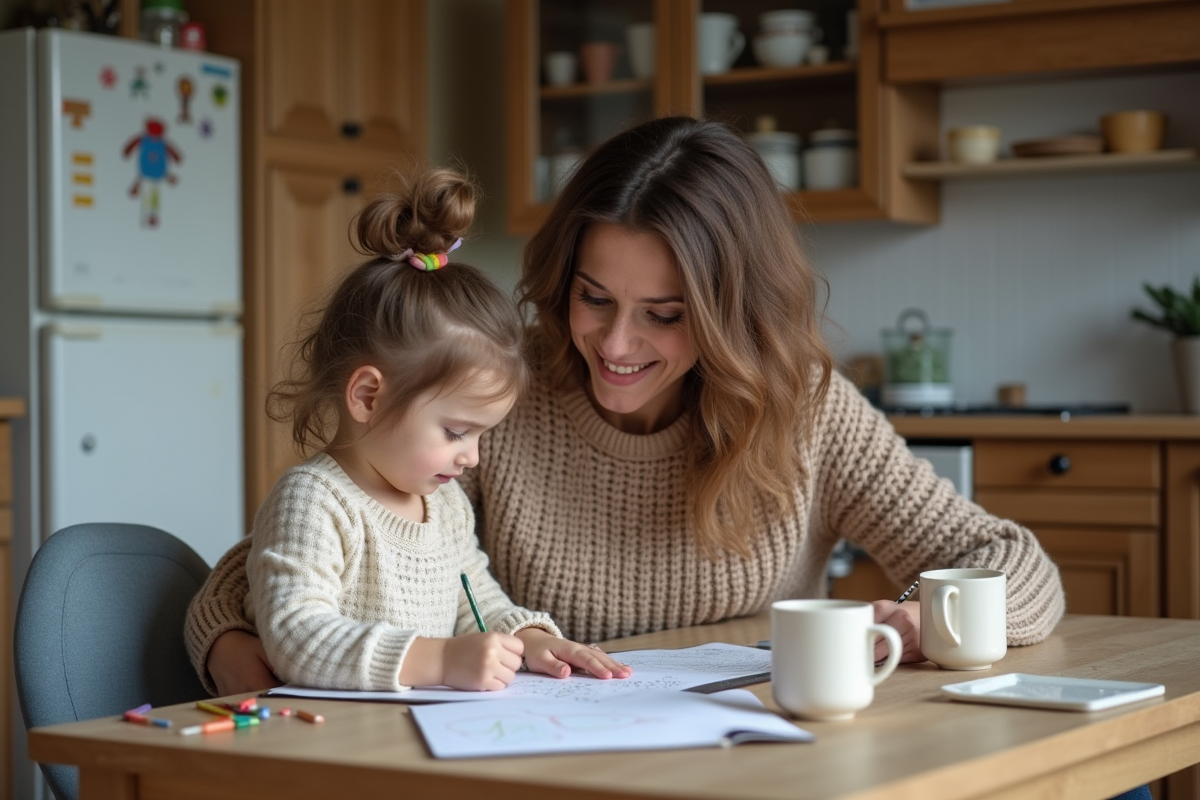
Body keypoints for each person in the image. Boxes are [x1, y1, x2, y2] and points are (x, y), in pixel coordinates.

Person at [186, 116, 1065, 696]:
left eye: (667, 316)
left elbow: (1005, 558)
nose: (614, 345)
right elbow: (255, 574)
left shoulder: (802, 412)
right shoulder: (498, 398)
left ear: (731, 316)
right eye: (594, 297)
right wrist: (236, 652)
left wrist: (915, 613)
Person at [212, 165, 630, 694]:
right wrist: (436, 662)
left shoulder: (445, 505)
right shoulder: (314, 501)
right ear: (368, 396)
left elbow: (473, 599)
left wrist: (525, 638)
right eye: (457, 432)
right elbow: (297, 637)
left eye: (481, 436)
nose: (472, 457)